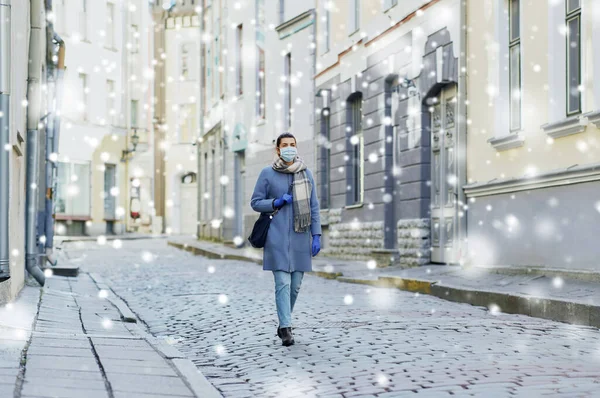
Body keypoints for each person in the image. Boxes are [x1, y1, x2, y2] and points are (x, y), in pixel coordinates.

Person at [250, 132, 322, 347]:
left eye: (293, 144)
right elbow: (255, 202)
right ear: (278, 149)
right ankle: (285, 328)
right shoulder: (267, 173)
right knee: (283, 282)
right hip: (277, 236)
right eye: (285, 145)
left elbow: (314, 206)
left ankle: (284, 320)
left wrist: (316, 234)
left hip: (300, 236)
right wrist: (276, 202)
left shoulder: (306, 173)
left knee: (296, 285)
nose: (290, 148)